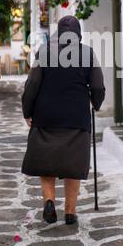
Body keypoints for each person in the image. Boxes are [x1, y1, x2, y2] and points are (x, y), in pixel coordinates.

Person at [21, 16, 105, 225]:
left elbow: (32, 85)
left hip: (46, 115)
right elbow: (97, 86)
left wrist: (27, 111)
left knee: (46, 163)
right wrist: (96, 103)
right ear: (78, 33)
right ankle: (70, 211)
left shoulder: (44, 51)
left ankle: (49, 200)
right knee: (73, 165)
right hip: (76, 117)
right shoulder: (87, 53)